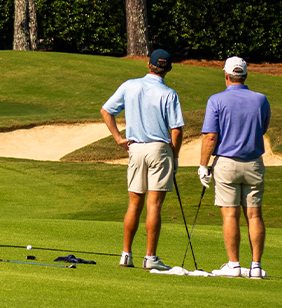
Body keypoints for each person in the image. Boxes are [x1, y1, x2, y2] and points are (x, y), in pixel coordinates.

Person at [102, 49, 185, 271]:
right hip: (159, 150)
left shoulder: (130, 85)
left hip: (135, 149)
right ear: (168, 69)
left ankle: (126, 254)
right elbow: (176, 131)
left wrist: (119, 138)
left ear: (148, 65)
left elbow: (106, 111)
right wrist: (175, 157)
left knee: (134, 203)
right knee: (154, 205)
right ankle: (150, 257)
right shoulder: (169, 93)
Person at [197, 56, 270, 279]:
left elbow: (211, 137)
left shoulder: (216, 100)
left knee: (230, 215)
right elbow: (263, 127)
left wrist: (203, 166)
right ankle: (256, 266)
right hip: (254, 164)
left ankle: (234, 264)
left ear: (226, 75)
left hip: (226, 163)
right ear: (245, 75)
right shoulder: (260, 99)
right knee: (254, 215)